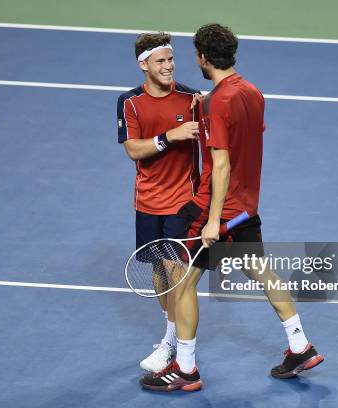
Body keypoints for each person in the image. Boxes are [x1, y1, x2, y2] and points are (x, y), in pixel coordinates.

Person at [140, 23, 324, 392]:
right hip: (246, 207)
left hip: (218, 212)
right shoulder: (251, 92)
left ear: (203, 58)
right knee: (262, 273)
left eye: (193, 54)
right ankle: (300, 345)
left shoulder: (216, 103)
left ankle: (186, 370)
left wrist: (211, 221)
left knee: (183, 284)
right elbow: (247, 140)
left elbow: (221, 163)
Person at [117, 32, 201, 373]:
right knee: (157, 271)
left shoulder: (192, 98)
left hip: (183, 203)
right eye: (160, 61)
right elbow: (133, 150)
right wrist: (169, 137)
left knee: (176, 275)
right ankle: (169, 331)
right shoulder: (129, 103)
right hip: (148, 202)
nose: (168, 66)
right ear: (144, 65)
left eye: (170, 60)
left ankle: (172, 344)